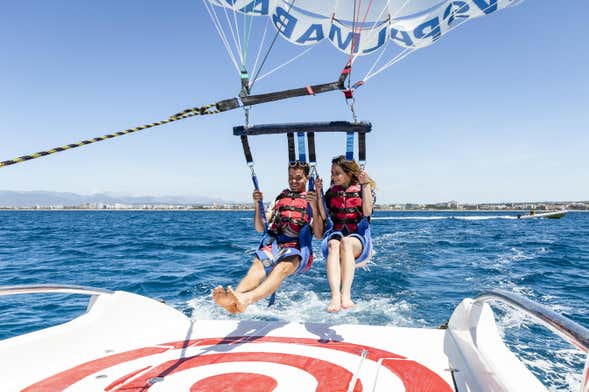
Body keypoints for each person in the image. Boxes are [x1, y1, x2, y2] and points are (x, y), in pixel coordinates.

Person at [213, 161, 323, 314]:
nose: (293, 181)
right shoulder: (280, 198)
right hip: (275, 246)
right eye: (290, 177)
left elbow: (318, 234)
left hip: (298, 250)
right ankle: (234, 300)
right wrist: (257, 204)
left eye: (298, 178)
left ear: (306, 178)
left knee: (280, 268)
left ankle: (245, 299)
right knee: (256, 268)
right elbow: (260, 227)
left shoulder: (313, 200)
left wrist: (315, 206)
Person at [316, 155, 376, 312]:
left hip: (358, 238)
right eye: (331, 173)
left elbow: (368, 212)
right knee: (333, 243)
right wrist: (318, 192)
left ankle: (346, 294)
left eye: (337, 173)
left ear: (349, 173)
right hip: (337, 232)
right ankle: (335, 296)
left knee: (346, 242)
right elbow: (324, 216)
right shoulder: (331, 193)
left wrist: (366, 185)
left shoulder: (363, 189)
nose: (333, 177)